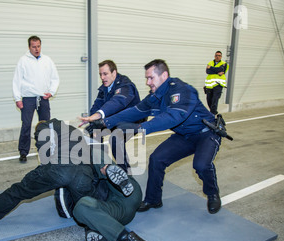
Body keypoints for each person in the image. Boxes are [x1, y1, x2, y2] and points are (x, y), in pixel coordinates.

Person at [0, 119, 154, 241]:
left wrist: (41, 174)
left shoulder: (43, 127)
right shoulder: (71, 131)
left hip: (64, 169)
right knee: (94, 177)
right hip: (123, 195)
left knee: (23, 191)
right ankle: (110, 197)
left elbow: (46, 153)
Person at [90, 59, 222, 214]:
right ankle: (153, 200)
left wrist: (140, 127)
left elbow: (174, 117)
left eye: (151, 78)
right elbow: (137, 110)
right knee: (156, 159)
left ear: (164, 75)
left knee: (201, 165)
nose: (147, 82)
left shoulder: (182, 90)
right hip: (184, 136)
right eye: (146, 78)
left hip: (205, 134)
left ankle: (212, 193)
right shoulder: (155, 96)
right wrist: (105, 121)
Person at [80, 60, 141, 172]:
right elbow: (96, 106)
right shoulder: (104, 88)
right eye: (100, 74)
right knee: (93, 131)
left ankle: (124, 173)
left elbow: (117, 102)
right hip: (114, 119)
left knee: (116, 138)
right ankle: (100, 166)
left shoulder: (126, 85)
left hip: (133, 120)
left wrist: (99, 115)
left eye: (105, 74)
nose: (102, 77)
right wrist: (91, 119)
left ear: (114, 73)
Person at [12, 35, 60, 162]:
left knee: (46, 125)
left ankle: (48, 151)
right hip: (28, 98)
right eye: (34, 47)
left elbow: (55, 78)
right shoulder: (23, 61)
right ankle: (23, 152)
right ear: (29, 47)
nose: (37, 49)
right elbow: (17, 81)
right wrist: (18, 98)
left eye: (38, 46)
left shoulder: (47, 60)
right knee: (26, 125)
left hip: (43, 97)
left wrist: (51, 92)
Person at [205, 51, 228, 115]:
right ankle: (214, 112)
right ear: (214, 56)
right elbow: (207, 71)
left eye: (219, 55)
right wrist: (217, 71)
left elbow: (221, 69)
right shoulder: (210, 62)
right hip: (210, 85)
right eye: (216, 55)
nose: (217, 57)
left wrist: (211, 68)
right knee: (209, 100)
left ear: (221, 57)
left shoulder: (224, 64)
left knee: (215, 99)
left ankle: (212, 114)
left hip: (218, 84)